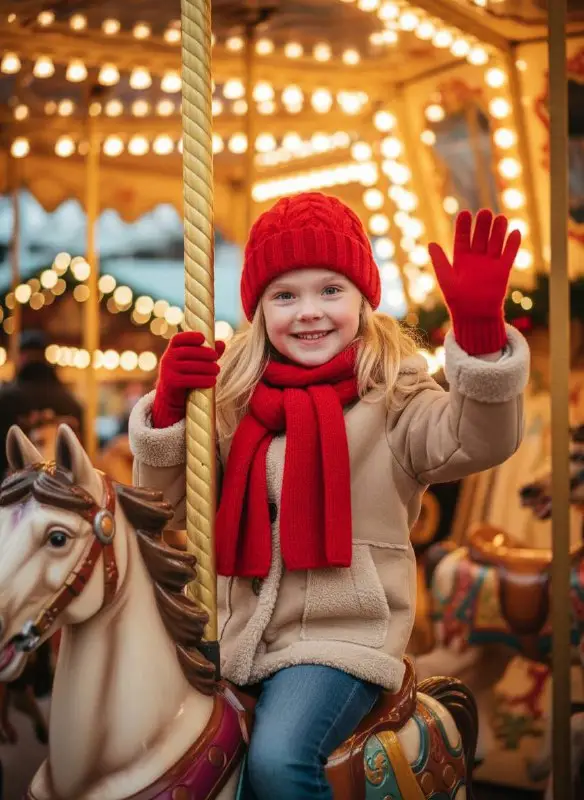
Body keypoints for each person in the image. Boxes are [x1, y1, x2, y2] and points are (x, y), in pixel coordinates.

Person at [129, 193, 529, 799]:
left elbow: (474, 442)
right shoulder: (233, 399)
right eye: (285, 295)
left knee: (280, 760)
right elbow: (168, 509)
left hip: (345, 639)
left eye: (330, 290)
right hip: (236, 638)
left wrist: (479, 342)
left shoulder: (393, 395)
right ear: (259, 309)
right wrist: (168, 417)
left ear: (364, 299)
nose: (309, 312)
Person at [0, 330, 84, 478]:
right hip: (65, 486)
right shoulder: (71, 402)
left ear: (21, 356)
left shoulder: (5, 399)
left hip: (15, 487)